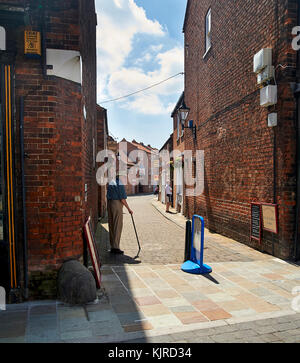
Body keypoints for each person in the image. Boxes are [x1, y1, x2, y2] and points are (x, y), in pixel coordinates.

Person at [107, 174, 133, 254]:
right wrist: (129, 209)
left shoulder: (111, 183)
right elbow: (122, 199)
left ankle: (112, 246)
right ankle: (116, 247)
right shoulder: (120, 184)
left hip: (110, 204)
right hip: (116, 204)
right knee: (117, 225)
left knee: (111, 225)